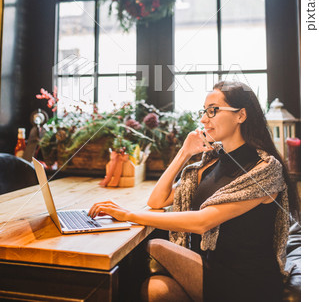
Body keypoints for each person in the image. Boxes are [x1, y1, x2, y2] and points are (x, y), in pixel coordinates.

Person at [88, 81, 299, 302]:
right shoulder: (210, 163)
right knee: (156, 290)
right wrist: (184, 152)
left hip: (250, 283)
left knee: (155, 245)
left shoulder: (266, 169)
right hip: (212, 266)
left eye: (212, 111)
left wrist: (127, 215)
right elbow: (158, 200)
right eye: (204, 111)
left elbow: (202, 222)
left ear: (241, 115)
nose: (203, 119)